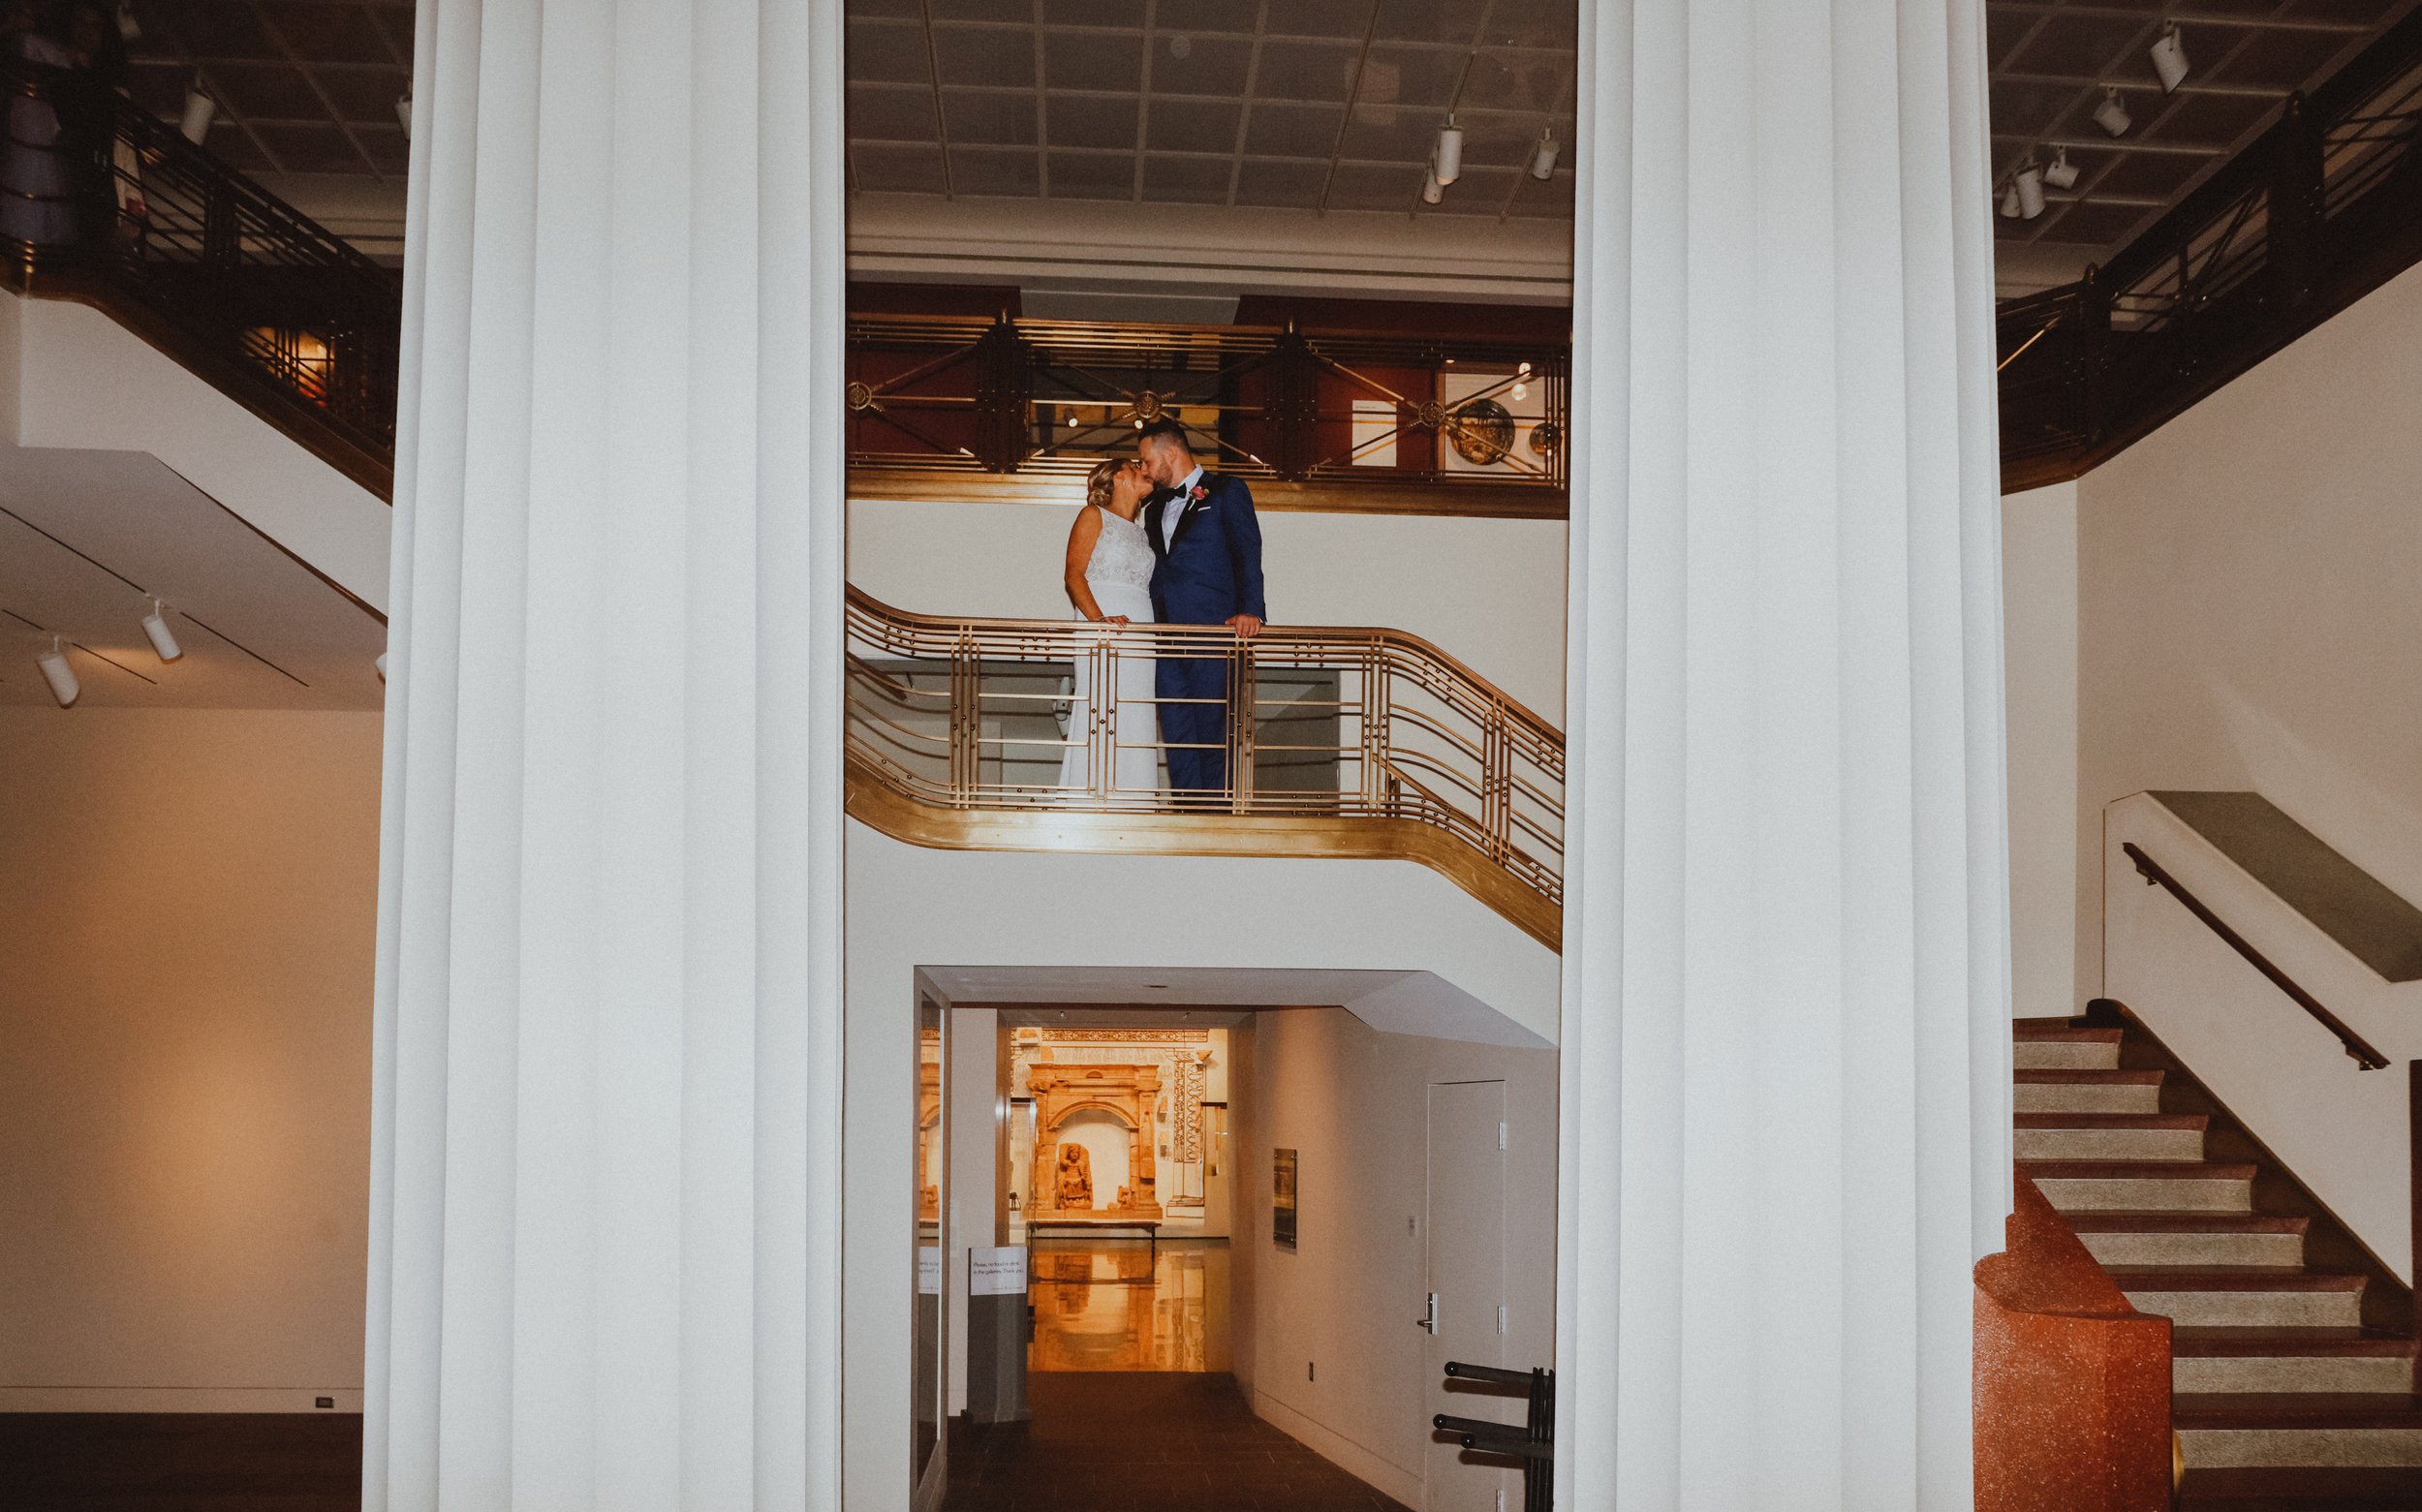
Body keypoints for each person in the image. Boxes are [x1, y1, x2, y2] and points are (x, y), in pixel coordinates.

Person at [1136, 417, 1265, 796]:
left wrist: (1251, 609)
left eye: (1146, 460)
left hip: (1215, 632)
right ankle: (1187, 814)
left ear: (1170, 452)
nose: (1143, 469)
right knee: (1177, 733)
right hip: (1167, 635)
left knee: (1214, 731)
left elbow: (1247, 552)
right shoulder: (1154, 508)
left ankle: (1216, 818)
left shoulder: (1227, 490)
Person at [1056, 455, 1163, 796]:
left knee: (1136, 711)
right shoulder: (1093, 515)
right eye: (1137, 467)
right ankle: (1092, 794)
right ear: (1119, 476)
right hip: (1101, 621)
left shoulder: (1142, 533)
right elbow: (1074, 575)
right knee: (1103, 705)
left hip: (1140, 629)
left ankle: (1136, 797)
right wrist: (1098, 620)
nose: (1147, 471)